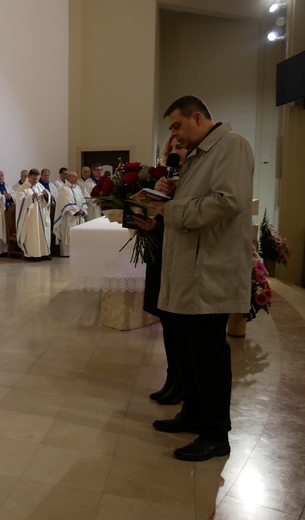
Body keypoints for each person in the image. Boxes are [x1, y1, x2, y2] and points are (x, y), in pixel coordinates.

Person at [148, 95, 254, 462]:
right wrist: (170, 194)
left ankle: (215, 433)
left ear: (197, 117)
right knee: (191, 352)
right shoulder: (198, 154)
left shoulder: (232, 145)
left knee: (209, 354)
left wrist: (173, 209)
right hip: (189, 269)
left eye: (176, 125)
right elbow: (199, 198)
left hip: (211, 270)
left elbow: (228, 201)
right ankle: (192, 413)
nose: (173, 134)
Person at [134, 136, 187, 406]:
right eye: (172, 149)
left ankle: (182, 382)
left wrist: (159, 224)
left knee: (180, 328)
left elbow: (186, 225)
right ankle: (171, 378)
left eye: (181, 147)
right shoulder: (166, 178)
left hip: (180, 259)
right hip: (162, 256)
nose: (175, 152)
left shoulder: (191, 181)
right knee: (168, 323)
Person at [16, 168, 51, 261]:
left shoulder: (39, 186)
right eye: (34, 179)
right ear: (29, 177)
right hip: (31, 217)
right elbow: (20, 202)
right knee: (33, 234)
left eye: (37, 179)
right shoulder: (22, 188)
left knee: (43, 233)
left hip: (41, 216)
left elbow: (48, 198)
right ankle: (32, 254)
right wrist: (31, 197)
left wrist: (46, 195)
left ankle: (44, 253)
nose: (36, 181)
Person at [52, 171, 87, 257]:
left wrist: (82, 210)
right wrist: (76, 211)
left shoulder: (77, 188)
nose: (76, 179)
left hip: (79, 216)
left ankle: (78, 252)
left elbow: (82, 200)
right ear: (69, 178)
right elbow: (67, 201)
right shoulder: (64, 189)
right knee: (68, 233)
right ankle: (67, 253)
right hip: (69, 216)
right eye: (74, 177)